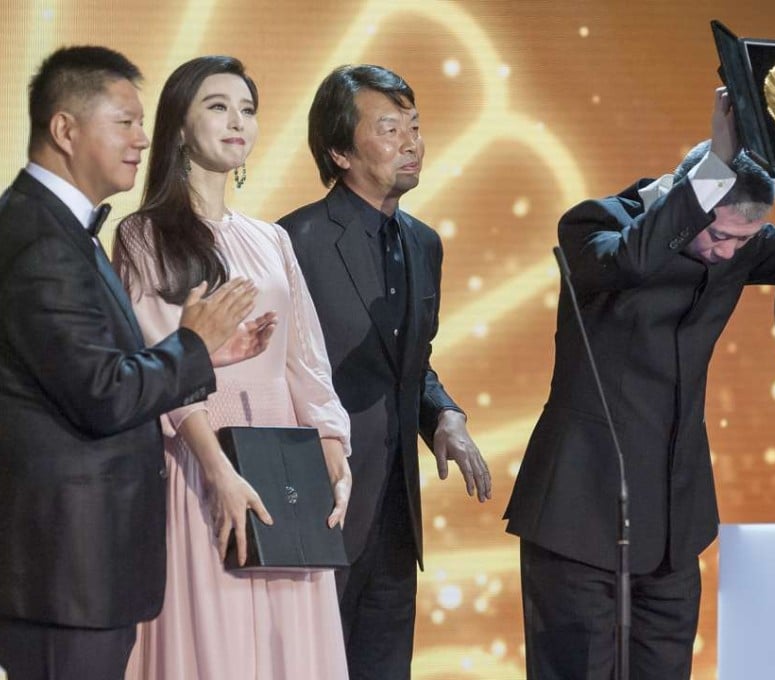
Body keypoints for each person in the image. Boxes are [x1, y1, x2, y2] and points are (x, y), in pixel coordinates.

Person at [503, 87, 775, 679]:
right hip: (579, 514)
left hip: (675, 527)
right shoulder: (595, 225)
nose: (727, 254)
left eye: (743, 242)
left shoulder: (740, 250)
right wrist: (716, 167)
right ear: (691, 197)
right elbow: (629, 261)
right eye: (719, 235)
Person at [0, 46, 266, 680]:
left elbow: (86, 369)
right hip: (65, 573)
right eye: (124, 122)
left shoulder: (63, 231)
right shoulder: (41, 241)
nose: (143, 139)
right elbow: (101, 394)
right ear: (65, 130)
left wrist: (201, 352)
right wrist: (190, 346)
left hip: (81, 571)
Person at [113, 56, 353, 680]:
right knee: (213, 641)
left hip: (282, 459)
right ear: (179, 129)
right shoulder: (143, 237)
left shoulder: (272, 239)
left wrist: (331, 442)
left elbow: (305, 357)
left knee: (289, 644)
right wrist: (217, 471)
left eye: (246, 108)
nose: (237, 120)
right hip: (199, 460)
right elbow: (157, 365)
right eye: (217, 106)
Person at [278, 64, 492, 680]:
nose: (411, 142)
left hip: (397, 512)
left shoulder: (424, 243)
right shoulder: (294, 242)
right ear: (340, 150)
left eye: (416, 126)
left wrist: (442, 414)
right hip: (319, 507)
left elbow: (412, 359)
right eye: (390, 127)